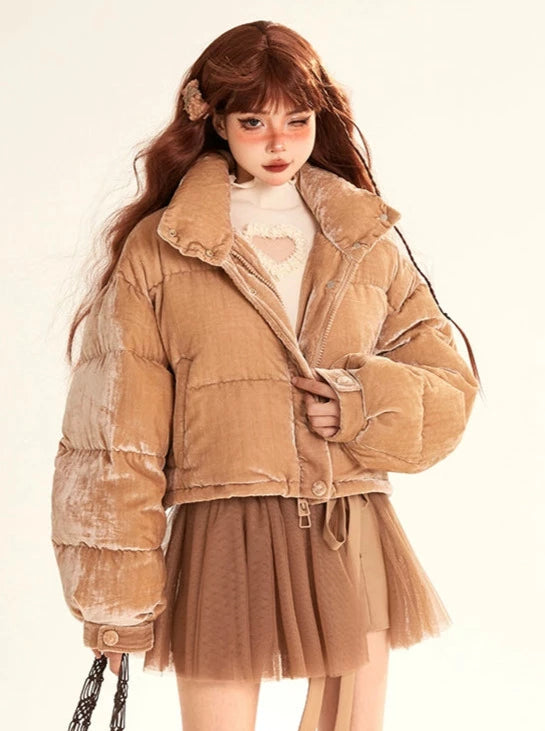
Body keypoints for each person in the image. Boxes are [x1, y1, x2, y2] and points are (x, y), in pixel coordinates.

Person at [50, 20, 481, 731]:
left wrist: (359, 405)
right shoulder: (164, 248)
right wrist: (114, 606)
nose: (278, 142)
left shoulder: (363, 238)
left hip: (350, 518)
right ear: (216, 120)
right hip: (223, 525)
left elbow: (448, 383)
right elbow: (114, 438)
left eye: (296, 120)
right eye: (254, 121)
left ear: (319, 119)